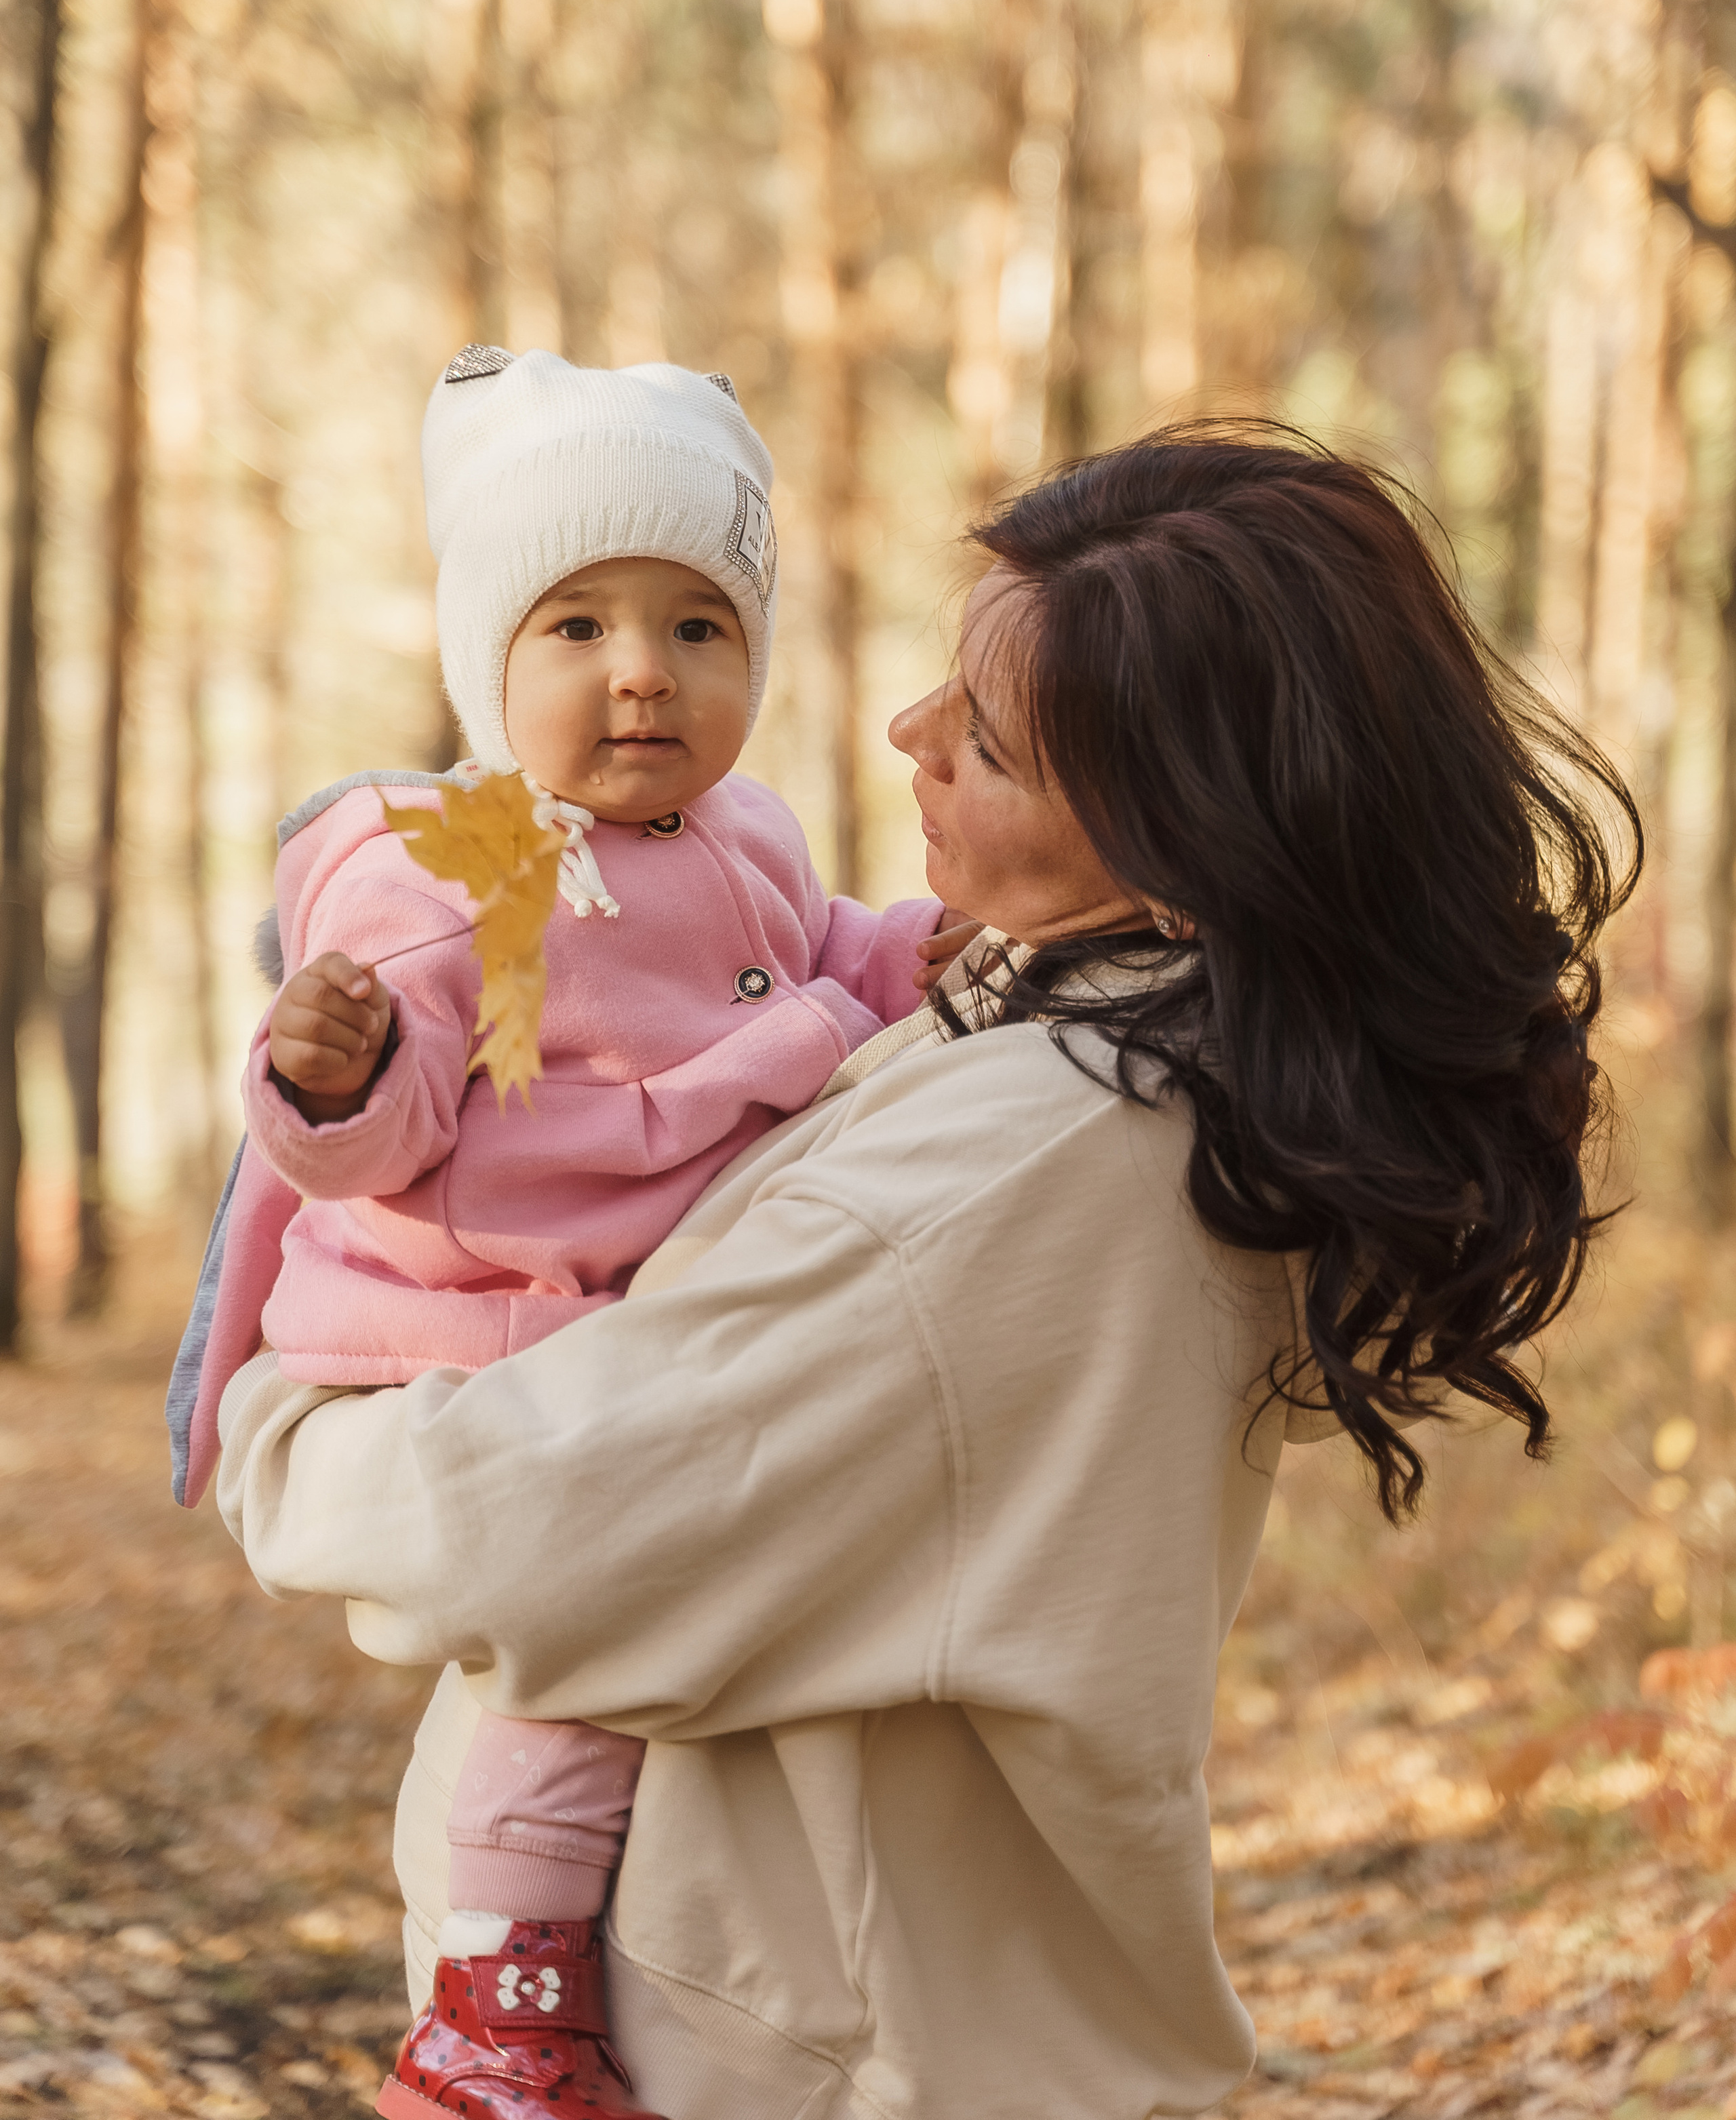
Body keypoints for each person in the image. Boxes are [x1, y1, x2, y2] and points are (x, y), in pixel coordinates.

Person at [214, 427, 1638, 2120]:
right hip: (861, 2024)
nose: (909, 736)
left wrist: (285, 1408)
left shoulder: (1016, 1168)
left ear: (1189, 846)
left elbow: (518, 1533)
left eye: (991, 743)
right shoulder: (1119, 1054)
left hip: (808, 2063)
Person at [168, 348, 971, 2120]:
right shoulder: (462, 864)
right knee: (596, 1622)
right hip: (482, 1310)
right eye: (579, 627)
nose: (643, 676)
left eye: (699, 627)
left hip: (634, 1292)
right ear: (490, 660)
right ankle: (498, 1996)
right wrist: (335, 1067)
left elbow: (829, 954)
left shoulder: (743, 832)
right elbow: (384, 1134)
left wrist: (933, 956)